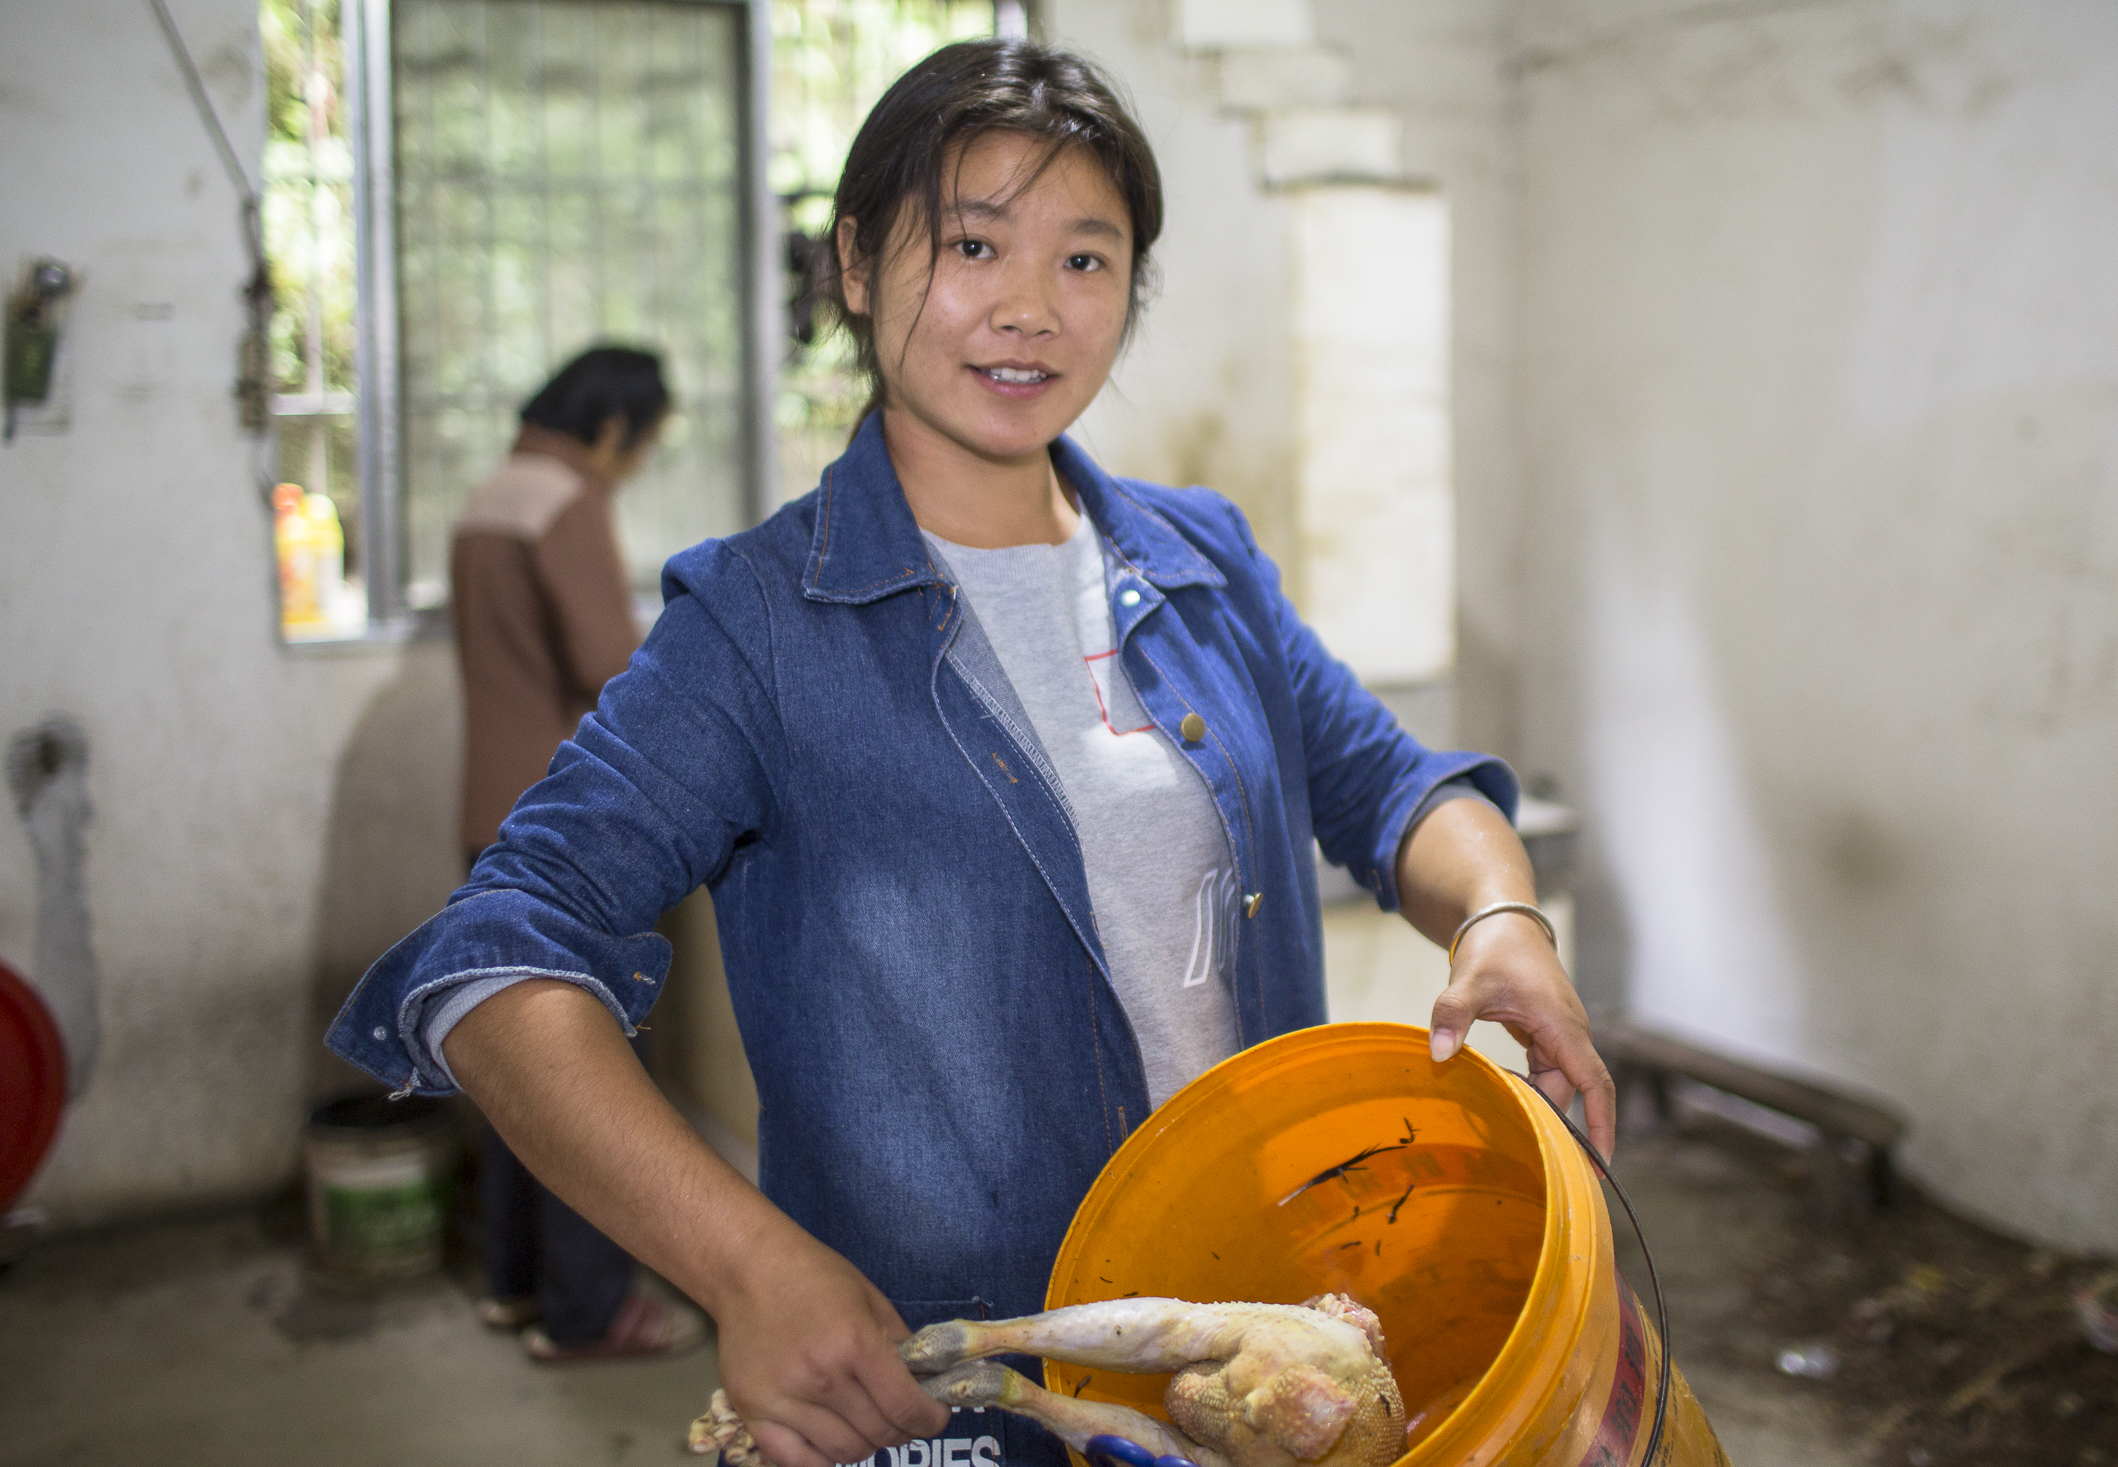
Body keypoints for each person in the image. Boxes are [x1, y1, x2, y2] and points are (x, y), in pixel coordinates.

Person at [331, 36, 1611, 1467]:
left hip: (1253, 1347)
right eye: (974, 243)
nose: (1029, 309)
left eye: (1086, 259)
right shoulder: (758, 625)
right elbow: (498, 955)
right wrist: (747, 1261)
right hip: (958, 1386)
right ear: (860, 266)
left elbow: (1389, 784)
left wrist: (1500, 911)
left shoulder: (1201, 558)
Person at [444, 344, 703, 1362]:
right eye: (641, 443)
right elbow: (607, 662)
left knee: (516, 1058)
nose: (633, 464)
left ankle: (516, 1283)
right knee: (591, 1081)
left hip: (489, 819)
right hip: (572, 829)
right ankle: (590, 1310)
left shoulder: (491, 497)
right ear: (610, 429)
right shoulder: (566, 501)